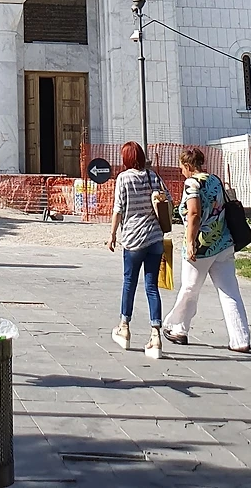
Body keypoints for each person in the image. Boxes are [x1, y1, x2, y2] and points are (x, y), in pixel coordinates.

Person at [162, 147, 250, 353]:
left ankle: (178, 329)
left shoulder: (192, 183)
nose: (181, 170)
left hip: (202, 247)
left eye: (181, 166)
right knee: (230, 293)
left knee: (190, 289)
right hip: (224, 243)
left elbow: (194, 213)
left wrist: (190, 242)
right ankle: (240, 340)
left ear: (188, 165)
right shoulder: (215, 180)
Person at [107, 140, 171, 358]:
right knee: (152, 286)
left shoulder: (123, 178)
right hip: (155, 238)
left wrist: (112, 235)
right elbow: (168, 200)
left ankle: (124, 328)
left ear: (126, 159)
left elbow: (118, 209)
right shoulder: (153, 176)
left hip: (133, 239)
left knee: (129, 283)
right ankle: (155, 335)